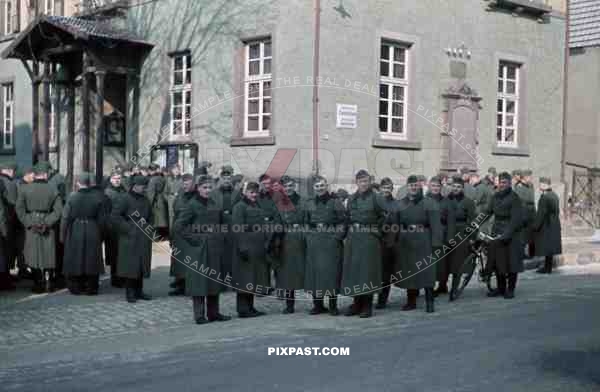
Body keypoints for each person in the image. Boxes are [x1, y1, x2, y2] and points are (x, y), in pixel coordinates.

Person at [174, 175, 231, 324]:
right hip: (198, 249)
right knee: (199, 281)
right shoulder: (192, 205)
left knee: (213, 280)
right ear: (198, 188)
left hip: (215, 247)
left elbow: (223, 222)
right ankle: (199, 315)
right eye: (204, 187)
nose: (207, 190)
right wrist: (195, 239)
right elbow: (179, 226)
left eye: (210, 187)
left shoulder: (214, 203)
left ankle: (214, 313)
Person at [387, 174, 442, 312]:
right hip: (406, 241)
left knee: (427, 272)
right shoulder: (400, 203)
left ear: (420, 187)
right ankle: (411, 301)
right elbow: (394, 224)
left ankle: (430, 302)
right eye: (411, 185)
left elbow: (436, 225)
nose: (413, 188)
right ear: (407, 187)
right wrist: (391, 241)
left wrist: (436, 244)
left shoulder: (429, 203)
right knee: (409, 271)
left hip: (424, 240)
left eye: (416, 185)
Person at [342, 170, 385, 318]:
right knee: (355, 272)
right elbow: (347, 217)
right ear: (357, 182)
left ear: (370, 182)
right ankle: (357, 303)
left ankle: (367, 305)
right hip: (354, 238)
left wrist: (376, 231)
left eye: (366, 181)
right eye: (361, 181)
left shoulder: (377, 198)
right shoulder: (352, 198)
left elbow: (386, 216)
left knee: (368, 272)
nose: (363, 184)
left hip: (369, 238)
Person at [15, 161, 63, 293]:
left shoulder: (24, 189)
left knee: (33, 254)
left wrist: (29, 222)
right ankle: (49, 282)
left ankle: (38, 283)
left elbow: (19, 209)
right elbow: (58, 210)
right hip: (48, 224)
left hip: (31, 224)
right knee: (49, 254)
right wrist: (47, 222)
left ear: (35, 174)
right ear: (46, 174)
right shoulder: (53, 189)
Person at [304, 175, 346, 315]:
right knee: (315, 273)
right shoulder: (309, 203)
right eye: (317, 186)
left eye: (322, 185)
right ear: (313, 188)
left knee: (331, 273)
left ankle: (333, 305)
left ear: (326, 185)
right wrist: (309, 237)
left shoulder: (335, 202)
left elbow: (343, 221)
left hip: (331, 241)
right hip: (315, 242)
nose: (320, 188)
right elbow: (306, 222)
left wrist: (337, 237)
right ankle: (318, 305)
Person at [60, 172, 107, 295]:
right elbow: (102, 219)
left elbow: (65, 218)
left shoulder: (72, 197)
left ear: (78, 183)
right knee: (92, 258)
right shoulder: (97, 197)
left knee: (76, 257)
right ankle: (92, 288)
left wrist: (62, 235)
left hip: (76, 228)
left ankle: (76, 287)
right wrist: (101, 234)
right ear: (88, 183)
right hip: (93, 228)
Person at [111, 175, 153, 303]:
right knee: (130, 265)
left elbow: (151, 216)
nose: (144, 188)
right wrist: (128, 229)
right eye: (142, 186)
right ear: (135, 186)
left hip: (143, 236)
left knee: (141, 264)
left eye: (145, 186)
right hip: (129, 236)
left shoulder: (145, 199)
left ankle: (139, 291)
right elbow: (115, 216)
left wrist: (149, 227)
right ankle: (130, 292)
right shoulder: (124, 198)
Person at [232, 181, 270, 317]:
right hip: (246, 248)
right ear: (244, 192)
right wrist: (242, 247)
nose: (254, 195)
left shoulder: (257, 205)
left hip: (257, 248)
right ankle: (243, 309)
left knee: (253, 278)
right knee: (244, 279)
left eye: (256, 192)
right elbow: (237, 228)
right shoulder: (239, 207)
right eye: (251, 192)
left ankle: (250, 307)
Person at [486, 172, 524, 299]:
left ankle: (511, 289)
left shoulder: (515, 198)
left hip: (511, 234)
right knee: (498, 262)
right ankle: (501, 287)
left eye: (504, 183)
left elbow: (516, 220)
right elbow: (486, 212)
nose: (502, 185)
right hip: (497, 231)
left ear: (509, 184)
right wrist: (474, 224)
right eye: (500, 182)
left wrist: (506, 235)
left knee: (512, 263)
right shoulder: (495, 197)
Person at [275, 176, 305, 314]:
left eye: (290, 185)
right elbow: (276, 220)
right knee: (287, 273)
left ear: (295, 186)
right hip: (285, 239)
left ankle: (317, 303)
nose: (288, 188)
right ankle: (289, 304)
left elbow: (307, 219)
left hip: (300, 238)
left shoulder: (303, 201)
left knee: (306, 269)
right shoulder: (278, 202)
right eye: (285, 186)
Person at [446, 176, 477, 301]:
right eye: (454, 186)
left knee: (457, 264)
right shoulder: (446, 200)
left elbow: (472, 221)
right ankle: (442, 286)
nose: (456, 188)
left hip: (461, 234)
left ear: (462, 188)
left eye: (458, 187)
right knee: (446, 262)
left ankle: (454, 289)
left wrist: (471, 237)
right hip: (447, 232)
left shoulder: (468, 202)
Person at [209, 165, 241, 285]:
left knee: (232, 253)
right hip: (218, 226)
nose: (226, 181)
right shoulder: (213, 193)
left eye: (229, 179)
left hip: (232, 227)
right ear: (220, 179)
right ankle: (220, 280)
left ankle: (233, 279)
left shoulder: (237, 193)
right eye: (224, 178)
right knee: (220, 253)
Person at [168, 173, 196, 296]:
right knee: (178, 261)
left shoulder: (197, 197)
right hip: (178, 233)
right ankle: (180, 285)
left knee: (190, 261)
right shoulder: (179, 196)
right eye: (184, 184)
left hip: (191, 233)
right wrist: (171, 233)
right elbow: (174, 214)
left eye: (188, 184)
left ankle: (191, 287)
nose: (185, 186)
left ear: (193, 184)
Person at [427, 176, 454, 297]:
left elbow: (451, 221)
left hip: (442, 234)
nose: (435, 188)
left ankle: (443, 285)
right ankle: (430, 286)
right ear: (429, 186)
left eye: (437, 186)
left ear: (441, 187)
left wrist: (449, 238)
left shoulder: (446, 202)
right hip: (428, 234)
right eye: (433, 186)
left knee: (442, 262)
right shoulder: (424, 201)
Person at [533, 177, 562, 274]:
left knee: (546, 246)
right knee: (550, 247)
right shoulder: (554, 195)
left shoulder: (545, 197)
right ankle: (548, 267)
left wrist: (535, 226)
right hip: (554, 224)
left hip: (547, 225)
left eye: (541, 184)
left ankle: (547, 268)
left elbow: (541, 213)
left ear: (546, 185)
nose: (540, 186)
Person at [375, 177, 396, 309]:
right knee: (373, 271)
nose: (386, 190)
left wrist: (391, 241)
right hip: (374, 240)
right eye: (384, 188)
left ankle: (382, 300)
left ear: (392, 189)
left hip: (388, 241)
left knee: (385, 273)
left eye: (389, 188)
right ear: (380, 189)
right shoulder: (375, 202)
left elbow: (396, 225)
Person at [104, 168, 126, 287]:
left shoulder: (123, 190)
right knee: (113, 254)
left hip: (122, 226)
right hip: (112, 228)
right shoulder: (107, 192)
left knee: (122, 253)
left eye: (119, 179)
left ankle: (121, 276)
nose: (117, 181)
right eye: (115, 179)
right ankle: (115, 279)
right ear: (111, 179)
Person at [0, 162, 17, 289]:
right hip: (5, 223)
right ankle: (5, 280)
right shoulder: (8, 183)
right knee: (5, 253)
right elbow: (11, 205)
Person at [147, 163, 169, 240]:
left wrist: (149, 204)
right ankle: (164, 236)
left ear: (150, 170)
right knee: (163, 220)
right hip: (163, 200)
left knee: (156, 220)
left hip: (156, 202)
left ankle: (155, 237)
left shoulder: (153, 180)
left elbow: (151, 193)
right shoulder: (163, 178)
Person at [166, 164, 183, 229]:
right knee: (171, 219)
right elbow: (165, 192)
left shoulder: (182, 179)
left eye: (178, 169)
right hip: (171, 202)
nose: (176, 171)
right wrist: (168, 199)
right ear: (172, 170)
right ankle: (172, 235)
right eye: (175, 169)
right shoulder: (168, 179)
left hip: (180, 201)